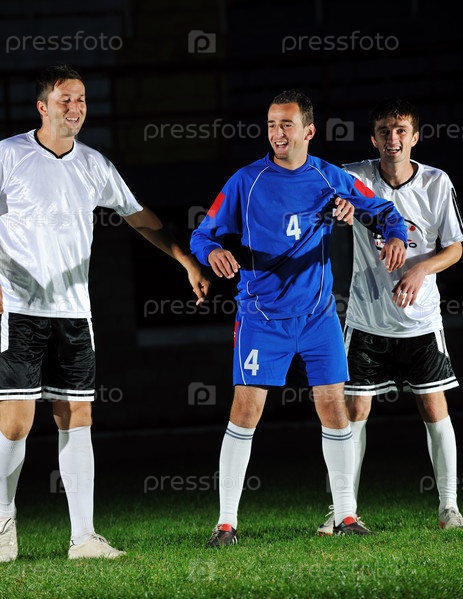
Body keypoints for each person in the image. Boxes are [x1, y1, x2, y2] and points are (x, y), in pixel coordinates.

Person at [0, 64, 210, 562]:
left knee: (77, 416)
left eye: (81, 99)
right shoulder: (9, 154)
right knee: (15, 423)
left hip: (75, 314)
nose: (75, 108)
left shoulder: (94, 164)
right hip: (20, 308)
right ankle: (3, 524)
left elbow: (137, 216)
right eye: (65, 99)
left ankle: (83, 538)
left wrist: (184, 260)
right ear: (42, 107)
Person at [190, 88, 408, 547]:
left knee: (334, 407)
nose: (277, 133)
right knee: (245, 411)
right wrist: (212, 253)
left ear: (308, 131)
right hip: (261, 316)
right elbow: (202, 234)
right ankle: (225, 524)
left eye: (286, 125)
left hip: (317, 316)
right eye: (272, 125)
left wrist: (394, 237)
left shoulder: (330, 178)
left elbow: (385, 211)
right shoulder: (246, 181)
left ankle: (346, 516)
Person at [317, 97, 463, 536]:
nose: (392, 139)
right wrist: (336, 210)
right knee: (353, 409)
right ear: (373, 138)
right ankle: (343, 511)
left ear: (415, 137)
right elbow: (317, 191)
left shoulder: (437, 182)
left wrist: (420, 270)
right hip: (367, 318)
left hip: (421, 321)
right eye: (384, 131)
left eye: (401, 131)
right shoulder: (356, 178)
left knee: (433, 406)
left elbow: (455, 248)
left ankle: (449, 507)